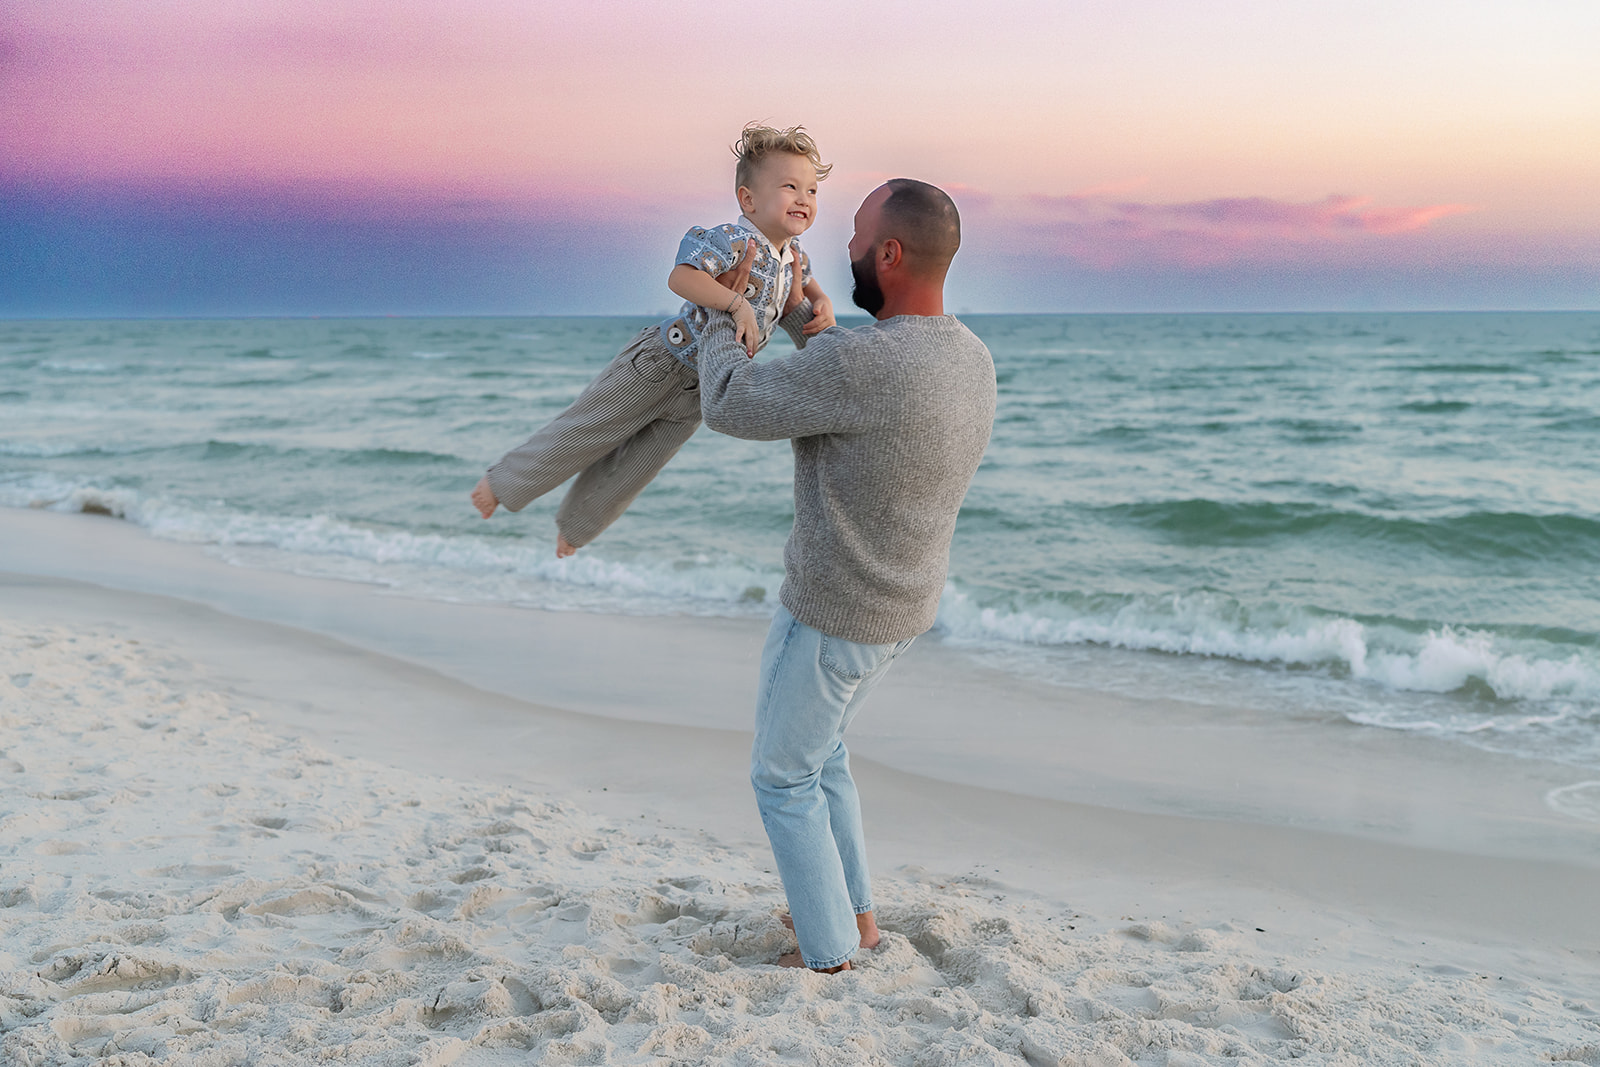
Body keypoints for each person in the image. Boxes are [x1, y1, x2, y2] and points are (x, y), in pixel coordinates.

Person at [694, 179, 997, 972]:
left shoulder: (862, 363)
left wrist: (727, 311)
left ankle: (829, 953)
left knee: (781, 776)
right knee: (822, 756)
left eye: (859, 236)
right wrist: (814, 329)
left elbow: (730, 402)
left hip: (834, 613)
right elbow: (855, 398)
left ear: (889, 254)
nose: (847, 248)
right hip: (897, 612)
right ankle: (855, 918)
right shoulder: (969, 357)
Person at [469, 125, 838, 554]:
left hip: (701, 389)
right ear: (748, 199)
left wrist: (822, 300)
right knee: (587, 431)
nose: (803, 199)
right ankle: (502, 482)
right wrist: (735, 305)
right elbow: (682, 276)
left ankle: (576, 527)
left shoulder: (795, 256)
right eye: (790, 187)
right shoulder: (733, 240)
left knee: (637, 467)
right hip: (661, 360)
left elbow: (803, 288)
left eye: (811, 191)